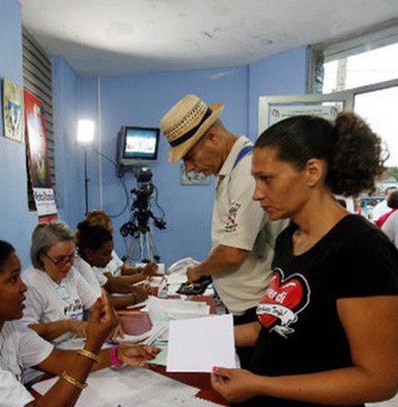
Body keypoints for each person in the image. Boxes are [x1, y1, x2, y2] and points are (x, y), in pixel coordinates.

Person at [210, 113, 398, 406]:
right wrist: (199, 337)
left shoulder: (361, 249)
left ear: (312, 172)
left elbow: (379, 381)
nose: (257, 194)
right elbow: (271, 327)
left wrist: (262, 384)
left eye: (266, 179)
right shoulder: (290, 239)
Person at [0, 237, 159, 406]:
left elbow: (58, 360)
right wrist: (93, 344)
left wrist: (118, 355)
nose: (24, 286)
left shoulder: (8, 326)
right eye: (14, 279)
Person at [159, 94, 284, 368]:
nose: (190, 167)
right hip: (241, 305)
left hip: (255, 308)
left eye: (189, 157)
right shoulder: (230, 170)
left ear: (213, 137)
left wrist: (199, 270)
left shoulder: (247, 172)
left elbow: (232, 253)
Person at [21, 221, 100, 345]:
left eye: (71, 257)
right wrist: (67, 325)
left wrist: (109, 320)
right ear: (41, 256)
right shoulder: (30, 283)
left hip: (74, 345)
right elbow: (26, 332)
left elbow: (96, 305)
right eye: (60, 259)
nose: (68, 264)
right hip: (48, 354)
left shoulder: (72, 274)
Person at [74, 220, 150, 309]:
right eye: (106, 254)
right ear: (89, 253)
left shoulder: (91, 262)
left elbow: (109, 285)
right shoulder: (81, 265)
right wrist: (135, 298)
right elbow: (101, 302)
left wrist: (135, 289)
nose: (111, 258)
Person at [85, 209, 159, 278]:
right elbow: (112, 283)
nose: (110, 257)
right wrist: (142, 276)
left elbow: (122, 269)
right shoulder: (94, 253)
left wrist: (140, 270)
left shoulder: (106, 246)